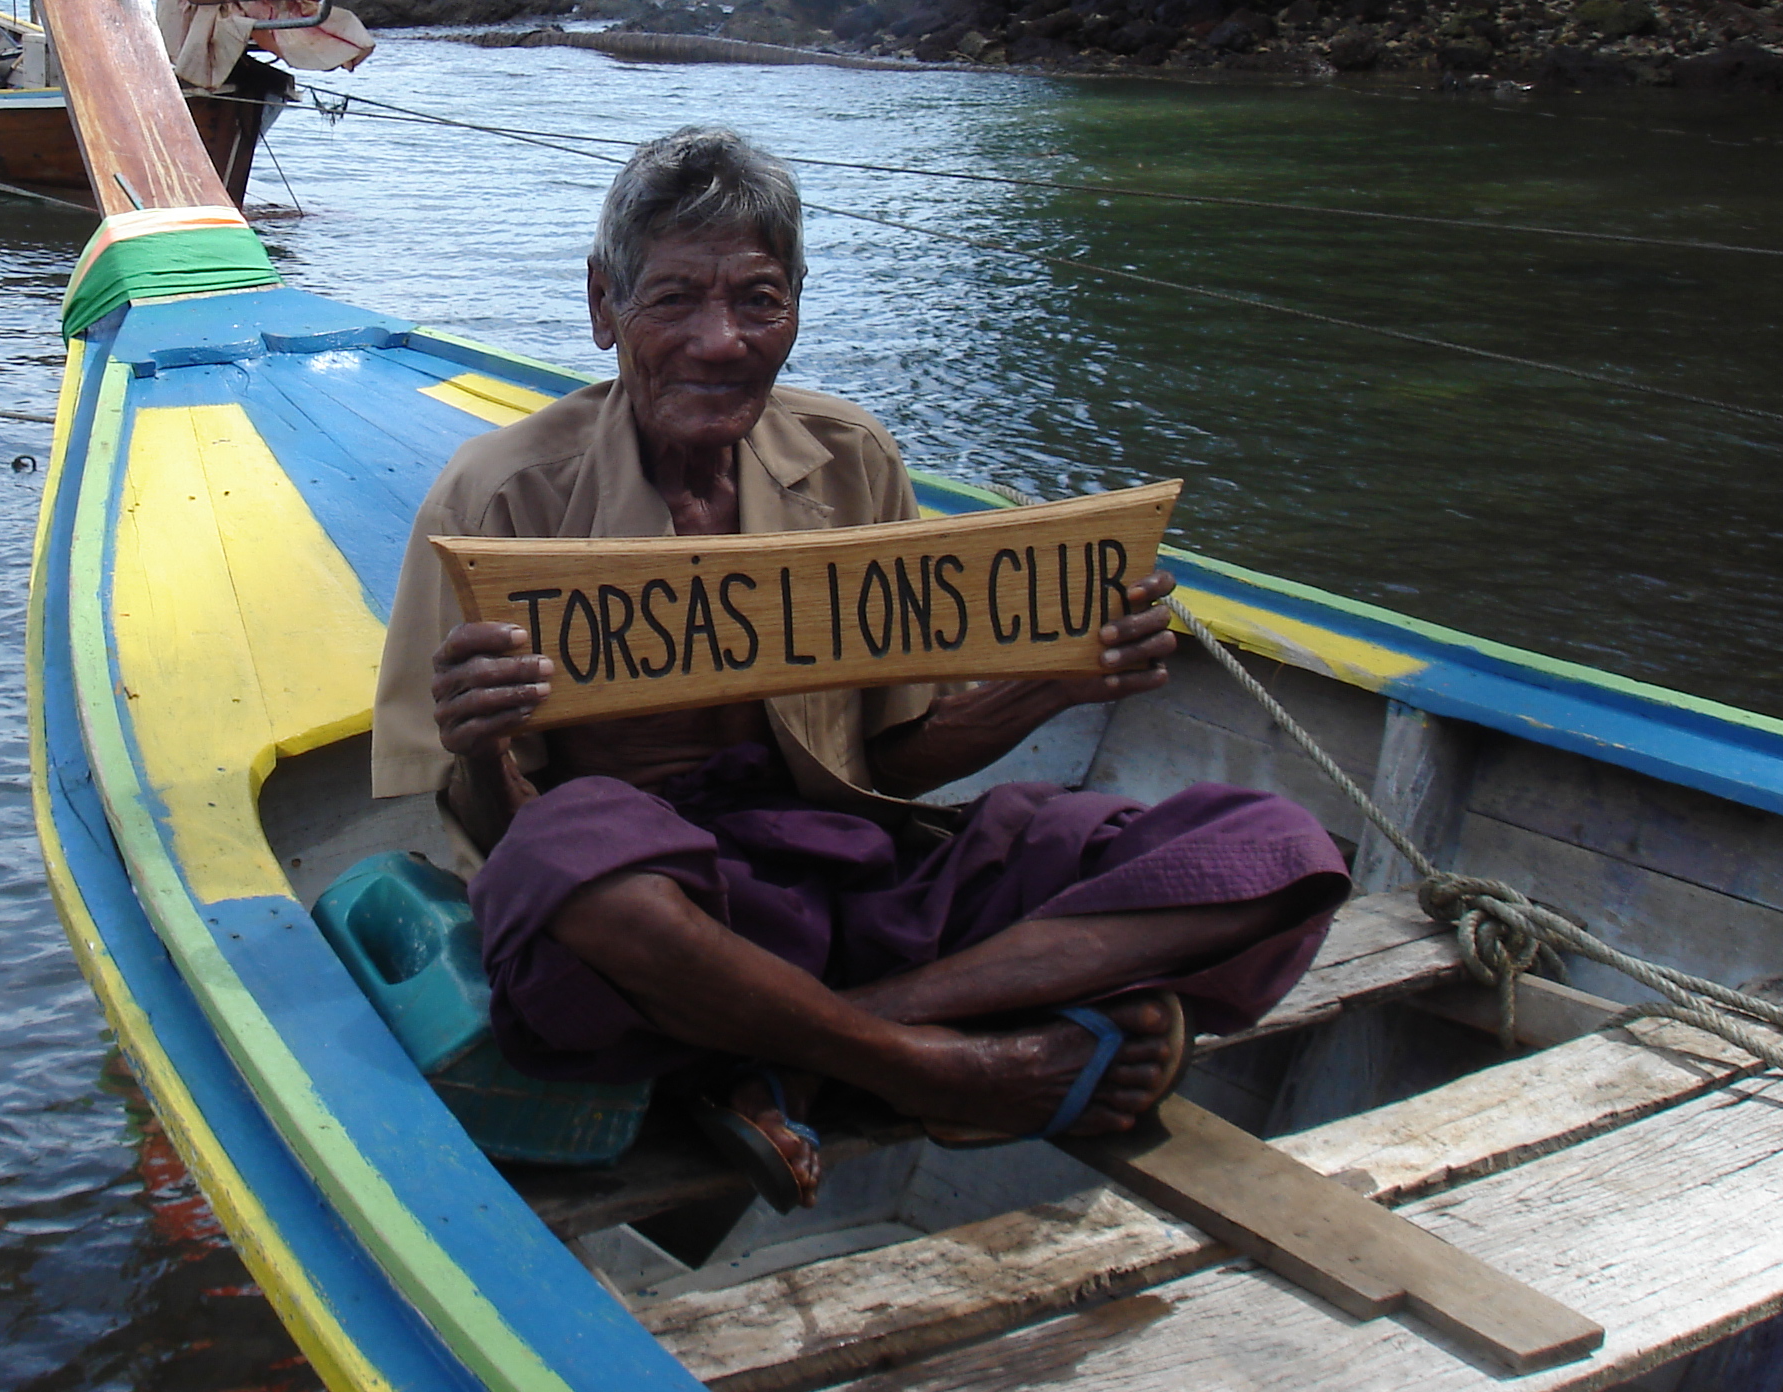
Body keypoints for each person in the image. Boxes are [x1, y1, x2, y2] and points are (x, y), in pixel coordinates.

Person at [372, 126, 1349, 1205]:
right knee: (573, 853)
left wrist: (1059, 684)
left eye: (759, 300)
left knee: (1276, 849)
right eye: (674, 302)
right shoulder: (501, 500)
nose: (721, 340)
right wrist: (477, 743)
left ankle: (806, 1047)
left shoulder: (846, 458)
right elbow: (500, 840)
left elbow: (893, 764)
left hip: (851, 880)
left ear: (796, 305)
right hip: (656, 924)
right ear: (605, 307)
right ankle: (945, 1067)